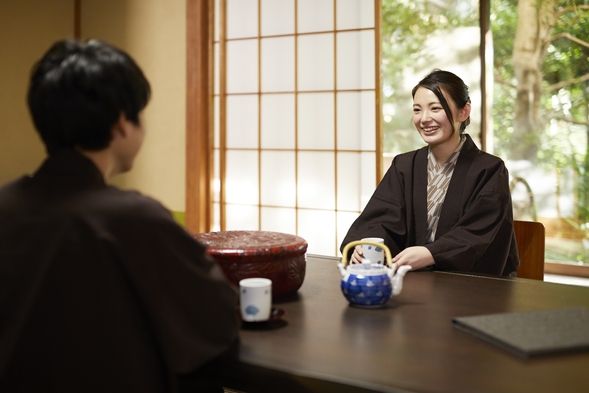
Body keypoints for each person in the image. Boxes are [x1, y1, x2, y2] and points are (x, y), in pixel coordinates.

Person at [0, 39, 239, 392]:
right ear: (122, 124)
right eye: (140, 113)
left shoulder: (6, 204)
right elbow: (215, 322)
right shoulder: (134, 219)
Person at [341, 69, 519, 277]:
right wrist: (367, 245)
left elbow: (478, 233)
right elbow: (382, 218)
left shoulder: (489, 169)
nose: (424, 119)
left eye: (435, 108)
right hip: (412, 280)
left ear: (463, 111)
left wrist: (431, 253)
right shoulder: (404, 165)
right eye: (417, 110)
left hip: (468, 284)